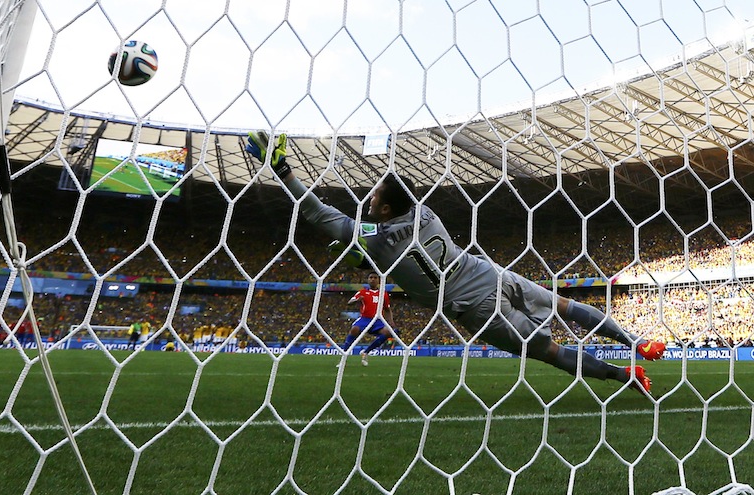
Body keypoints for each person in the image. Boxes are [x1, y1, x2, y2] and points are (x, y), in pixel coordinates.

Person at [246, 131, 666, 396]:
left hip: (476, 308)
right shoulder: (426, 212)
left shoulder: (373, 238)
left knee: (551, 351)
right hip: (488, 272)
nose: (368, 201)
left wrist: (282, 168)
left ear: (386, 206)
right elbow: (397, 224)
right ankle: (636, 342)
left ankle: (622, 375)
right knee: (563, 306)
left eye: (373, 198)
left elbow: (318, 213)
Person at [342, 272, 396, 366]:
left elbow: (387, 309)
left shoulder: (383, 294)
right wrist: (357, 300)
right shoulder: (362, 292)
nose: (373, 279)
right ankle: (344, 357)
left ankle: (366, 352)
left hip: (377, 320)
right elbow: (349, 302)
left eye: (375, 277)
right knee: (354, 329)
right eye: (371, 277)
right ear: (368, 279)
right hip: (364, 319)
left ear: (379, 280)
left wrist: (390, 321)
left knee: (388, 332)